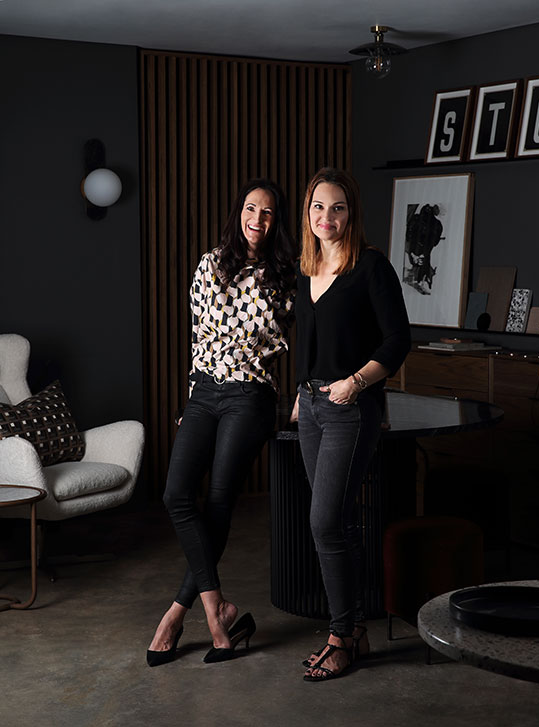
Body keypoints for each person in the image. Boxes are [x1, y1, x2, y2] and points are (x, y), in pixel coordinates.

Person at [147, 178, 296, 666]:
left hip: (251, 392)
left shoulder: (286, 274)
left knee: (218, 501)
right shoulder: (210, 263)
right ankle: (217, 610)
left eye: (268, 212)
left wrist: (305, 390)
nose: (257, 219)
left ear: (277, 221)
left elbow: (311, 335)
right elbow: (198, 337)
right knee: (175, 495)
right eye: (251, 209)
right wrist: (193, 395)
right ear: (239, 212)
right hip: (206, 391)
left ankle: (177, 615)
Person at [291, 168, 410, 682]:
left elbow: (398, 340)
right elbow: (309, 339)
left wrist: (356, 383)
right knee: (336, 523)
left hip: (350, 408)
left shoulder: (371, 267)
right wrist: (302, 392)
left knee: (324, 523)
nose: (327, 216)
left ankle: (340, 637)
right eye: (318, 206)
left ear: (351, 213)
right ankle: (354, 629)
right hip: (312, 408)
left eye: (337, 207)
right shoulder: (306, 268)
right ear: (308, 213)